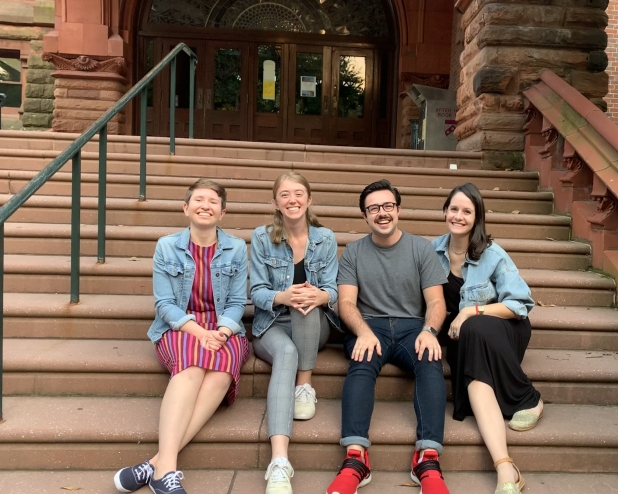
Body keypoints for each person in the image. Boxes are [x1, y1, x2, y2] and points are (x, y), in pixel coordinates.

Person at [114, 179, 249, 494]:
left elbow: (236, 303)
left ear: (222, 212)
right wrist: (201, 332)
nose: (206, 205)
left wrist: (222, 331)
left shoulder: (236, 248)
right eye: (199, 200)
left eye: (213, 201)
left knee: (221, 371)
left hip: (223, 327)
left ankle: (158, 464)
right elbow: (164, 305)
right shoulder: (167, 246)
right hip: (180, 326)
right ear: (186, 208)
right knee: (191, 366)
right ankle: (167, 471)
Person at [326, 179, 450, 494]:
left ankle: (428, 458)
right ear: (365, 216)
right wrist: (364, 331)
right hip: (370, 325)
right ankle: (356, 457)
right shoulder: (353, 252)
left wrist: (429, 330)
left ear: (398, 210)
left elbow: (436, 302)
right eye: (373, 209)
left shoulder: (421, 248)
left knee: (430, 358)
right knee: (362, 360)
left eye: (387, 206)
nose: (382, 213)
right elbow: (346, 303)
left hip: (412, 326)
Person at [431, 183, 543, 494]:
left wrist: (470, 312)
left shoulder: (492, 253)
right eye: (454, 209)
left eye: (467, 211)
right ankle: (506, 469)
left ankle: (529, 398)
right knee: (471, 342)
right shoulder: (432, 251)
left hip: (503, 329)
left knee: (475, 326)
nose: (459, 215)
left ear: (477, 217)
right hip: (461, 338)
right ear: (444, 212)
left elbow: (520, 304)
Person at [249, 172, 338, 494]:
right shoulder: (261, 237)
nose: (292, 200)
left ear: (309, 199)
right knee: (285, 351)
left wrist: (319, 296)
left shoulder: (325, 238)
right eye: (285, 195)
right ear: (276, 202)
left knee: (309, 301)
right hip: (271, 323)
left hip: (313, 324)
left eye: (298, 194)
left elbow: (333, 290)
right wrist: (282, 296)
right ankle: (279, 462)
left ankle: (304, 385)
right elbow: (256, 290)